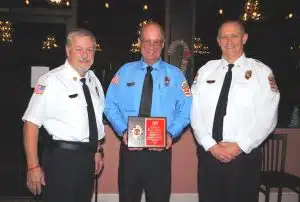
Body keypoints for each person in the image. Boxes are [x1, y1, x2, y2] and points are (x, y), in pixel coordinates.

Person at [191, 20, 280, 202]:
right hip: (209, 155)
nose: (229, 41)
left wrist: (240, 146)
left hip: (244, 157)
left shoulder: (262, 72)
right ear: (218, 40)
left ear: (245, 38)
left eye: (234, 36)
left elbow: (268, 117)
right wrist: (210, 145)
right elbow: (194, 111)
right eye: (224, 36)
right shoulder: (206, 70)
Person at [104, 21, 191, 202]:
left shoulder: (176, 75)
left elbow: (187, 110)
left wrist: (170, 133)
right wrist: (123, 130)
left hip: (160, 153)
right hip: (130, 151)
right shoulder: (124, 71)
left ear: (163, 43)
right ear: (139, 42)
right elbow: (109, 105)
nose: (152, 47)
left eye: (156, 42)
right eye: (147, 41)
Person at [22, 28, 105, 202]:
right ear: (68, 51)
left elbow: (94, 121)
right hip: (61, 159)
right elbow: (31, 123)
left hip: (87, 159)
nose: (85, 55)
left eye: (89, 50)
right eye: (79, 49)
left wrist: (96, 150)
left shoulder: (94, 81)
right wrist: (33, 166)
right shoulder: (50, 80)